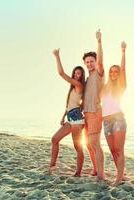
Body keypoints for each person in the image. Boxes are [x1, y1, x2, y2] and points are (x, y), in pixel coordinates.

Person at [49, 48, 93, 176]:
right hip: (70, 117)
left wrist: (57, 56)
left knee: (77, 146)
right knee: (55, 139)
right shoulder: (73, 88)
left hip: (77, 119)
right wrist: (63, 117)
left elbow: (61, 73)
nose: (75, 75)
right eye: (75, 73)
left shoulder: (79, 85)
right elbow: (69, 105)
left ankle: (78, 172)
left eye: (78, 74)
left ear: (81, 75)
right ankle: (52, 165)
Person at [101, 41, 127, 186]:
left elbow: (123, 69)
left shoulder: (121, 85)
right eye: (111, 71)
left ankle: (118, 178)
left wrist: (123, 51)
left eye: (115, 71)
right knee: (112, 149)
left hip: (118, 118)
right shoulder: (105, 88)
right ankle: (121, 174)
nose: (113, 73)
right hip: (106, 120)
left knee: (119, 149)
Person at [82, 29, 105, 181]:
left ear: (96, 62)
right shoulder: (87, 78)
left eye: (92, 61)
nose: (90, 64)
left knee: (95, 144)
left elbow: (101, 60)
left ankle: (101, 174)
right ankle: (95, 169)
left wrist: (99, 41)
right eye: (87, 62)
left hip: (96, 113)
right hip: (85, 114)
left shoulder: (98, 73)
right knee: (89, 145)